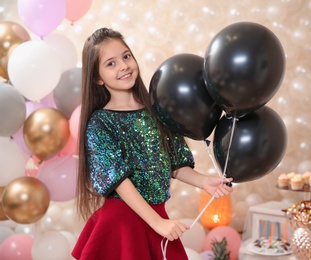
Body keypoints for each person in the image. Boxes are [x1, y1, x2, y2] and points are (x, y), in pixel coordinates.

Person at [72, 27, 234, 260]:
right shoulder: (100, 123)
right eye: (111, 63)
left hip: (157, 216)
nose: (124, 66)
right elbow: (119, 181)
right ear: (97, 78)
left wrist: (205, 182)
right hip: (122, 223)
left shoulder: (156, 110)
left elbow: (175, 164)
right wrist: (157, 223)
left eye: (126, 56)